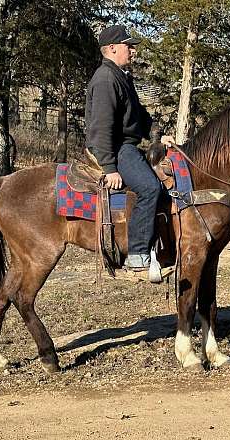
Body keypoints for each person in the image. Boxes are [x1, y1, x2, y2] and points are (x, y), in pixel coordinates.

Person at [85, 25, 172, 271]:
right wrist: (109, 167)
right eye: (128, 45)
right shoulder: (105, 79)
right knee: (150, 188)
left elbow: (138, 117)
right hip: (116, 148)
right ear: (112, 48)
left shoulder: (121, 76)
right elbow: (101, 128)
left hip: (123, 145)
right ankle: (137, 253)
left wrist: (159, 135)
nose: (132, 50)